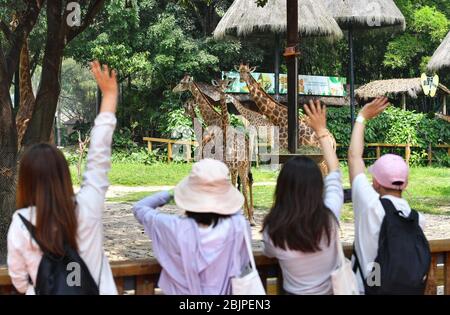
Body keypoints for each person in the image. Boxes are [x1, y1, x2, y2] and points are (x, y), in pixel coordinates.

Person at [7, 61, 119, 295]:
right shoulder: (88, 205)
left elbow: (19, 281)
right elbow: (99, 156)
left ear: (25, 181)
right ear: (63, 175)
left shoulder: (21, 222)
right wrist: (109, 97)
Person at [133, 158, 251, 295]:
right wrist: (222, 197)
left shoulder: (173, 226)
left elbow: (139, 208)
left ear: (190, 195)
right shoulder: (238, 226)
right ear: (224, 197)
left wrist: (171, 193)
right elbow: (242, 261)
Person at [262, 100, 344, 295]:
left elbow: (269, 253)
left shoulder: (273, 229)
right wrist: (322, 130)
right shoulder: (329, 217)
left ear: (282, 188)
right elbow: (334, 172)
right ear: (317, 186)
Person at [348, 97, 427, 294]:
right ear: (405, 183)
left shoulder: (369, 205)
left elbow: (354, 156)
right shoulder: (418, 220)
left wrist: (362, 117)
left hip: (368, 290)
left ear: (375, 182)